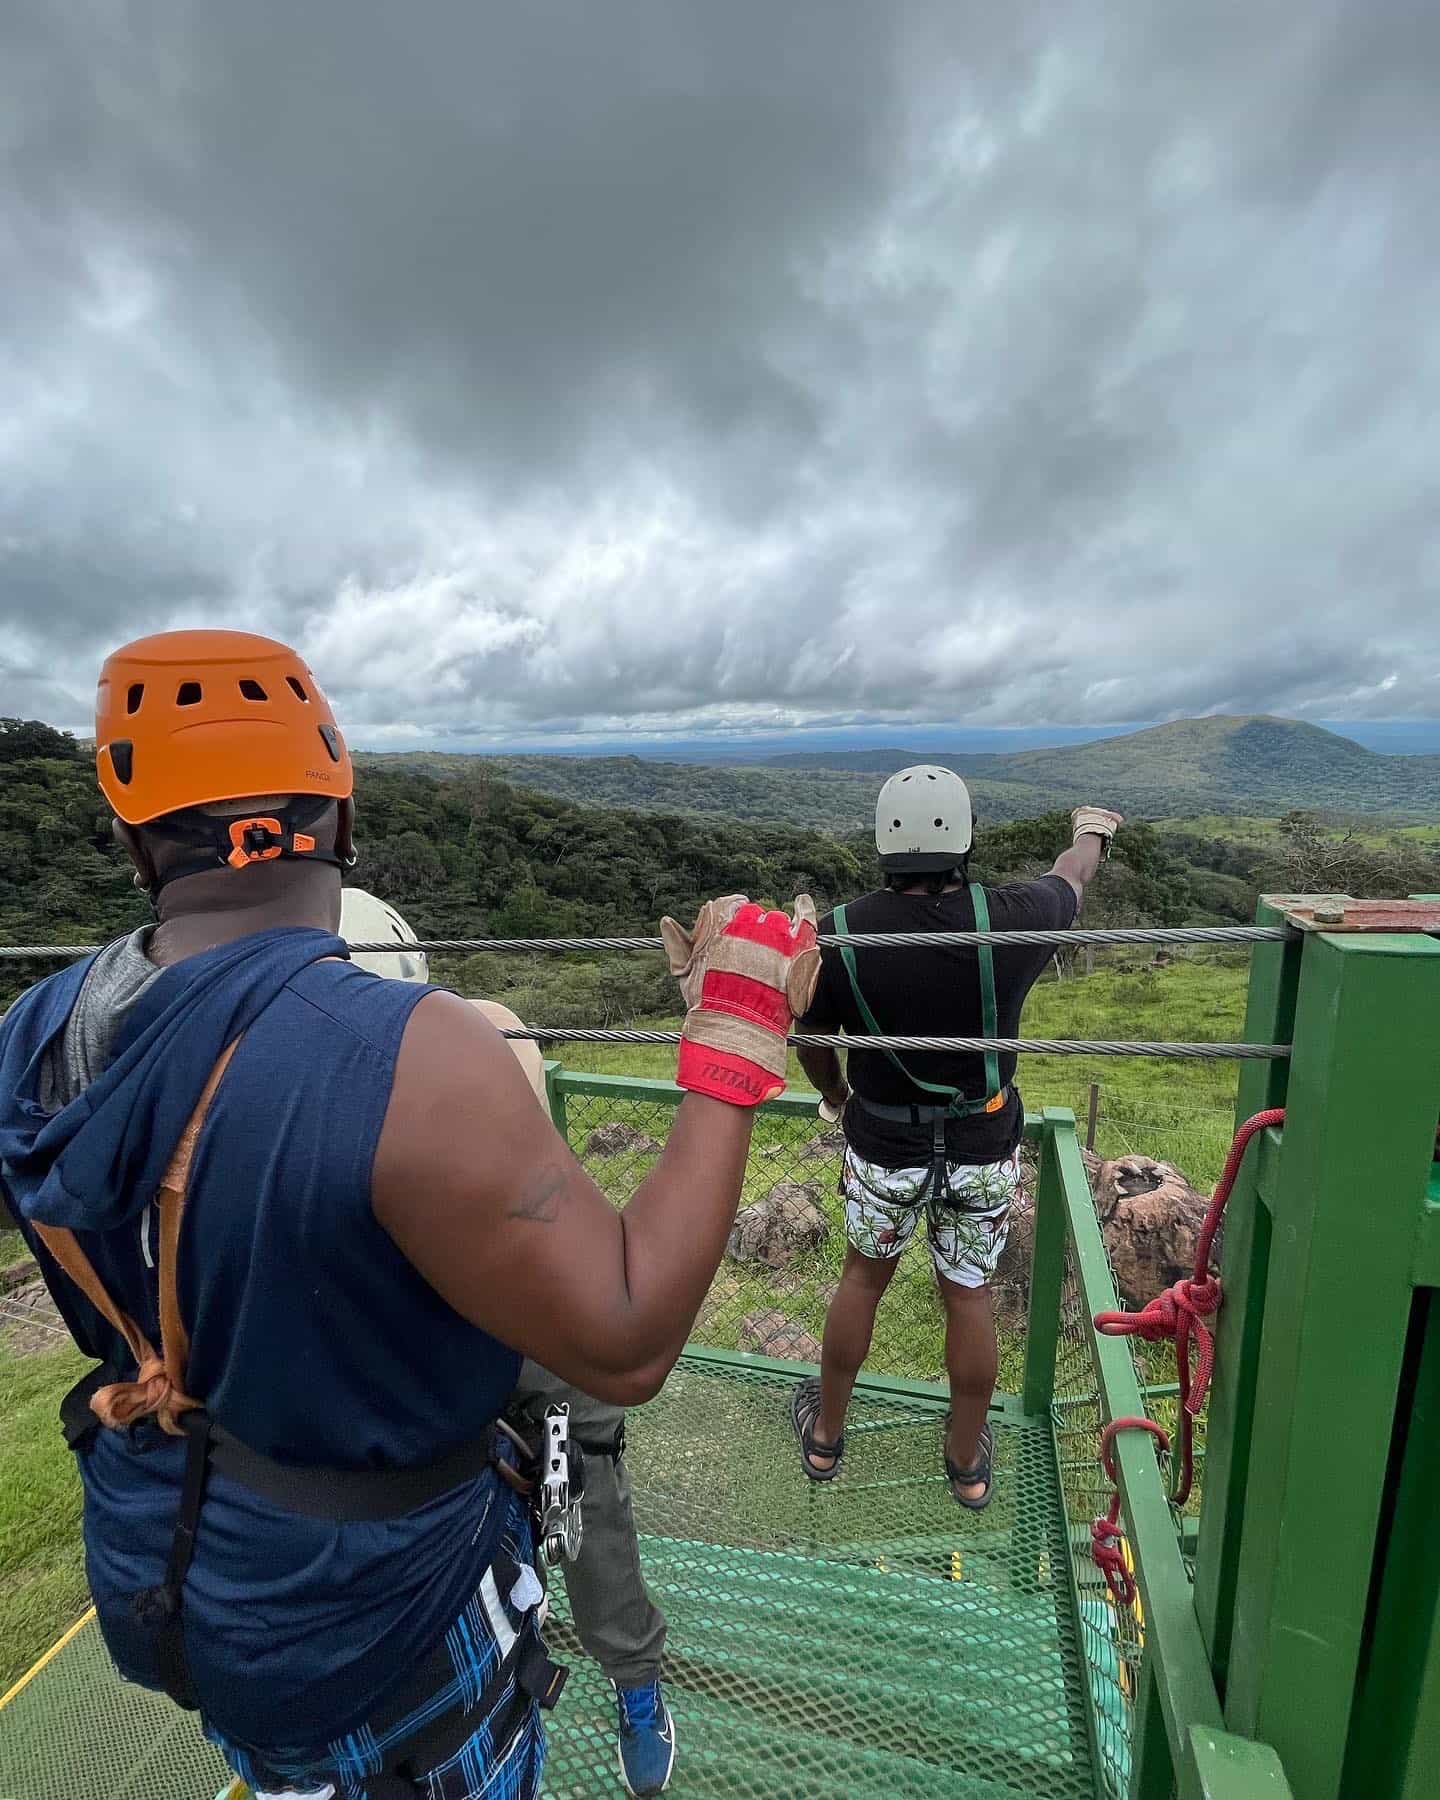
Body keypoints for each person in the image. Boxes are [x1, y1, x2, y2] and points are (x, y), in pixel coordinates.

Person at [0, 630, 818, 1800]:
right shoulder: (413, 1053)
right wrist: (736, 1036)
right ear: (342, 817)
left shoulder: (37, 1031)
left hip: (186, 1581)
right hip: (388, 1630)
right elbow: (627, 1338)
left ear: (133, 846)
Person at [340, 889, 675, 1798]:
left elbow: (531, 1222)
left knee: (582, 1470)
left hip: (488, 1325)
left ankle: (632, 1673)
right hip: (399, 1359)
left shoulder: (489, 1040)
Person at [791, 766, 1120, 1507]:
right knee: (968, 1298)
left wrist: (838, 1095)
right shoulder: (1008, 917)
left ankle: (825, 1441)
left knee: (860, 1283)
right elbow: (1070, 876)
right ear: (963, 840)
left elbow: (811, 1039)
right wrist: (1090, 830)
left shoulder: (838, 933)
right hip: (980, 1145)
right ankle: (966, 1464)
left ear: (883, 842)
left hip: (884, 1144)